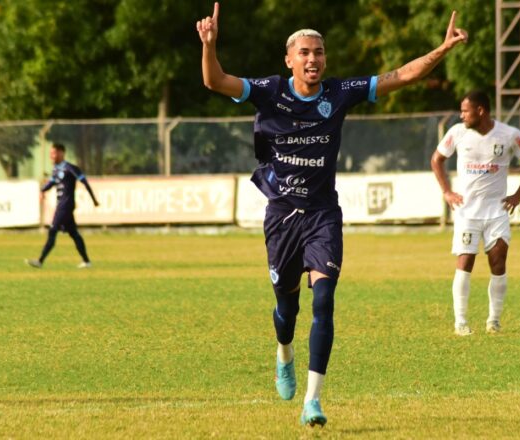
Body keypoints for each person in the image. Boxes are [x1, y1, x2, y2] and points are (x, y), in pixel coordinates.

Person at [196, 2, 467, 427]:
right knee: (287, 309)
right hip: (282, 215)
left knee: (323, 300)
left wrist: (443, 48)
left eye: (319, 52)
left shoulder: (339, 92)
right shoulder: (269, 90)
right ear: (289, 60)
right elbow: (215, 80)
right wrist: (209, 45)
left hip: (323, 214)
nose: (313, 59)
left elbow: (402, 75)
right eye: (304, 52)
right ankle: (284, 352)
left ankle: (313, 401)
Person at [430, 91, 520, 337]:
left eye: (465, 111)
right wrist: (447, 191)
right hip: (467, 212)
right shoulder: (457, 132)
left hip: (496, 211)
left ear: (480, 111)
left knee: (498, 263)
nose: (461, 115)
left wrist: (518, 195)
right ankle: (460, 322)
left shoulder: (509, 134)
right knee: (465, 262)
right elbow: (437, 160)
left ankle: (494, 320)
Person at [25, 143, 99, 269]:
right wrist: (42, 191)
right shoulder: (56, 170)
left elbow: (85, 182)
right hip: (63, 206)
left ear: (61, 153)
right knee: (74, 234)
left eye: (53, 153)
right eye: (50, 154)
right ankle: (87, 262)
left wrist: (94, 200)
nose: (51, 156)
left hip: (65, 206)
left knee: (53, 230)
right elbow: (51, 183)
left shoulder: (70, 168)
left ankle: (40, 261)